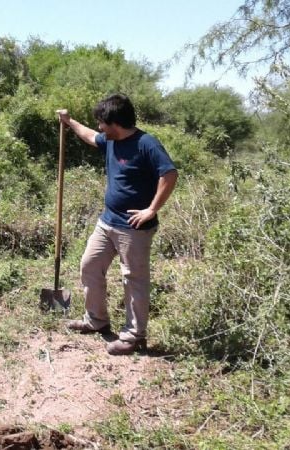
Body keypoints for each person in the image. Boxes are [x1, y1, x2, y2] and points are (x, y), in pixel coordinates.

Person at [57, 94, 178, 356]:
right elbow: (90, 136)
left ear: (115, 123)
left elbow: (169, 173)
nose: (100, 127)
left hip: (133, 228)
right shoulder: (110, 141)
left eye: (102, 122)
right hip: (107, 222)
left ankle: (134, 336)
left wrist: (151, 209)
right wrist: (69, 122)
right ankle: (96, 320)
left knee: (133, 279)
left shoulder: (146, 144)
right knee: (90, 265)